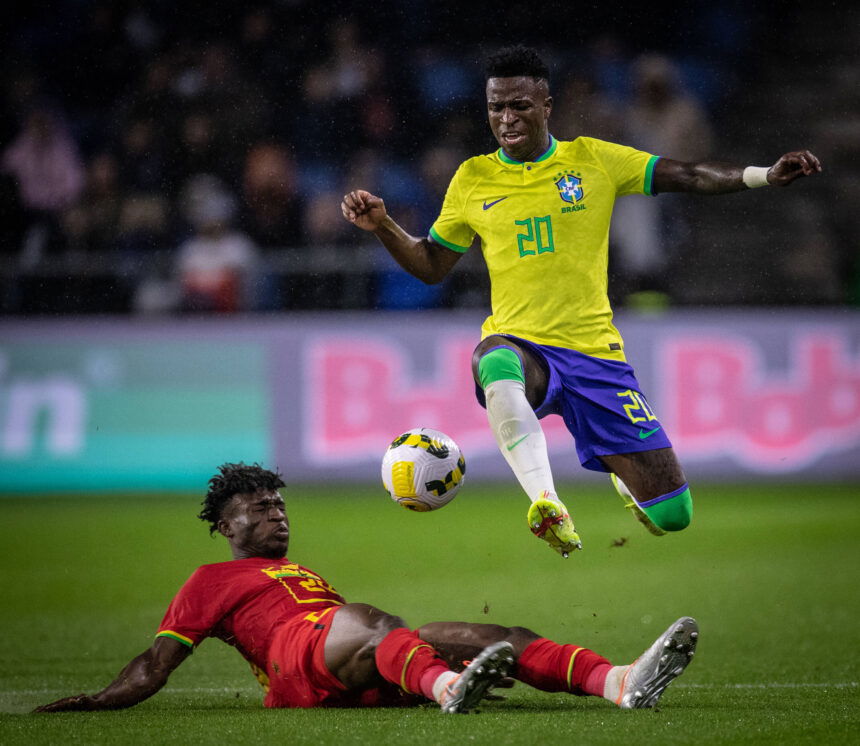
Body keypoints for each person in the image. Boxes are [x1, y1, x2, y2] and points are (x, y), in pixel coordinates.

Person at [341, 45, 822, 557]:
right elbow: (432, 266)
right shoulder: (472, 178)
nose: (506, 118)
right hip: (524, 345)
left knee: (673, 515)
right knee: (493, 359)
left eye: (520, 106)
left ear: (546, 106)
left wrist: (763, 174)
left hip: (594, 354)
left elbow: (688, 174)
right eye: (496, 107)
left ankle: (620, 472)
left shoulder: (593, 159)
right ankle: (546, 501)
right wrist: (384, 227)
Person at [35, 463, 698, 714]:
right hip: (296, 668)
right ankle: (446, 688)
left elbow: (358, 639)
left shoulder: (302, 573)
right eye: (260, 508)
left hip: (346, 656)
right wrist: (98, 701)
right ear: (226, 526)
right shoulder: (209, 581)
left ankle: (617, 682)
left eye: (280, 505)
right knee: (369, 620)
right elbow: (157, 662)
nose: (277, 514)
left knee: (493, 635)